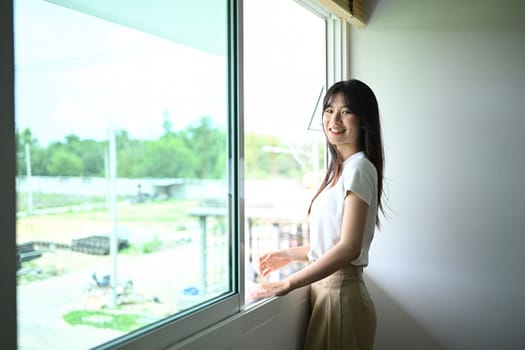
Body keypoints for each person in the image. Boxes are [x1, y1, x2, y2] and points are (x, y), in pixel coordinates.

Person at [250, 79, 385, 350]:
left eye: (346, 111)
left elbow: (348, 248)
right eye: (328, 109)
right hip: (329, 293)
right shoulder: (342, 170)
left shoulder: (359, 169)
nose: (334, 119)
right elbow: (332, 243)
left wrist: (287, 283)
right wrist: (287, 256)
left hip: (340, 295)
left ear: (364, 120)